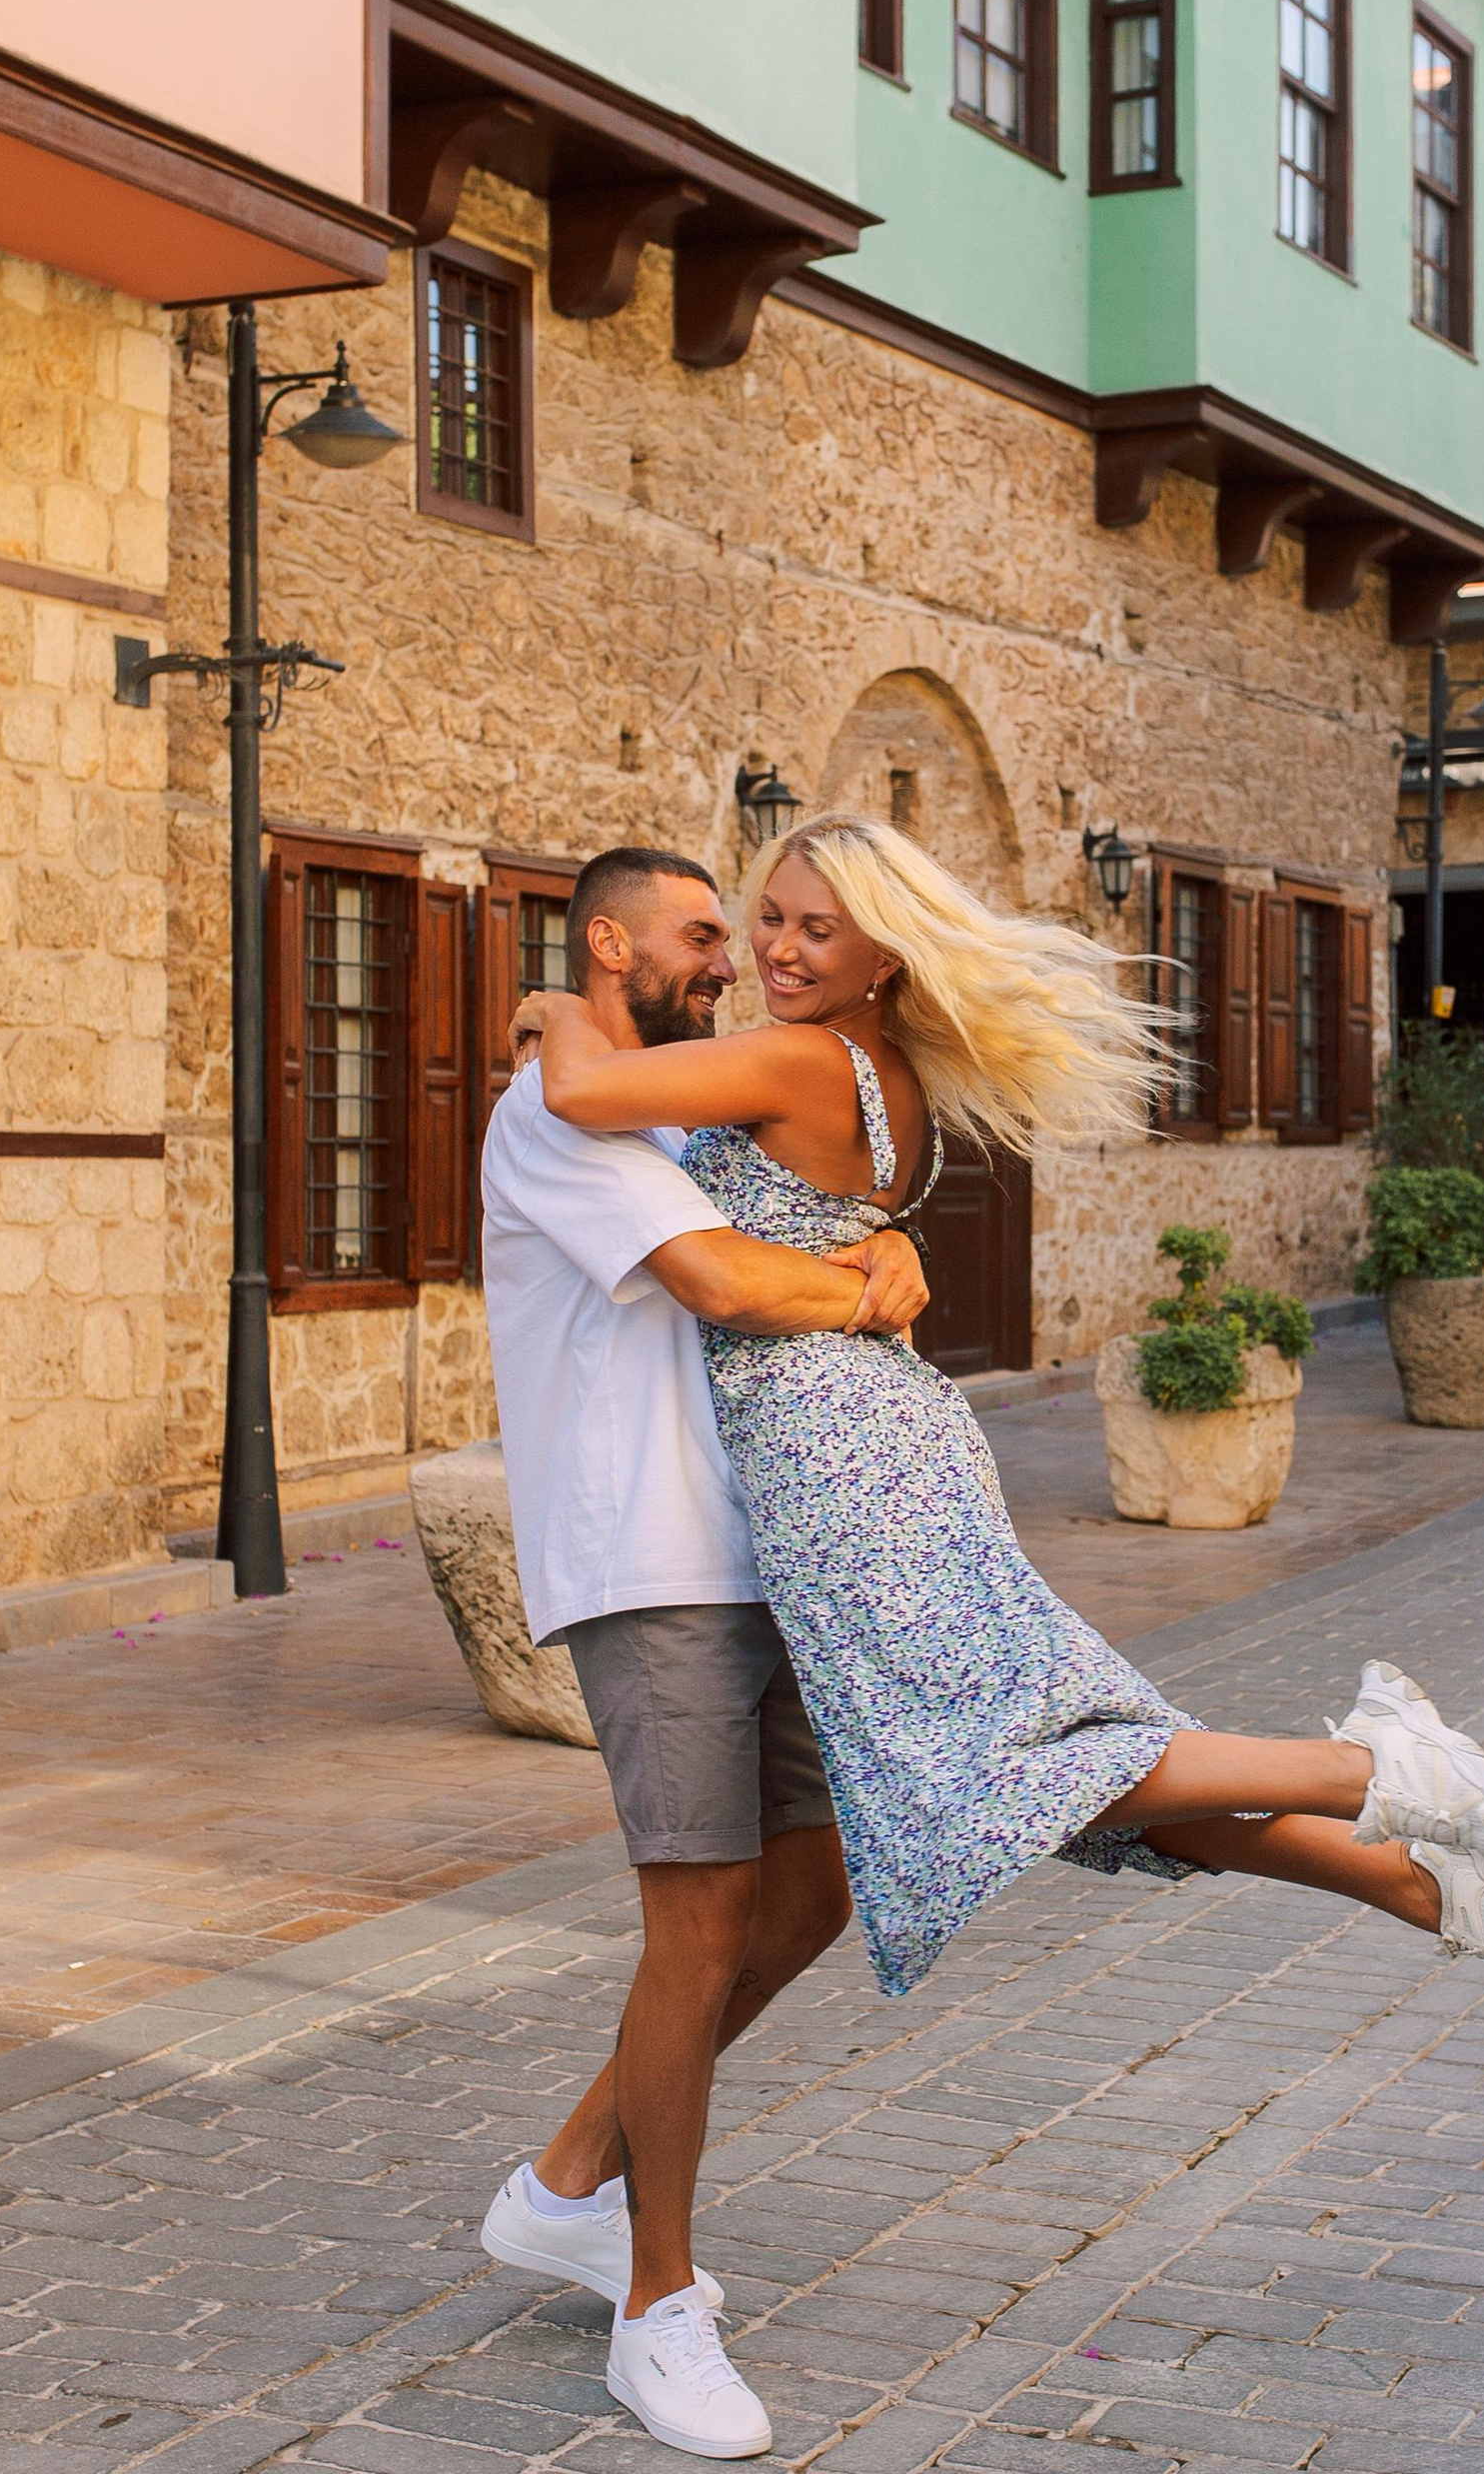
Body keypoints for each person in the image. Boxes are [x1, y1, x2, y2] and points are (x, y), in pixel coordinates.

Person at [511, 809, 1484, 2026]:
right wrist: (883, 1248)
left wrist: (554, 1007)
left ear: (887, 957)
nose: (777, 950)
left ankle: (1376, 1769)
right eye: (769, 918)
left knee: (1006, 1755)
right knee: (1038, 1762)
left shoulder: (800, 1059)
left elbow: (586, 1091)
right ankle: (1425, 1885)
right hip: (879, 1438)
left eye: (819, 929)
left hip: (832, 1453)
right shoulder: (873, 1073)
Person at [474, 846, 931, 2462]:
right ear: (607, 943)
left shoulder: (661, 1103)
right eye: (699, 938)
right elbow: (722, 1276)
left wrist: (876, 1251)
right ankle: (655, 2311)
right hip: (645, 1557)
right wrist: (865, 1287)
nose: (730, 964)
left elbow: (809, 1220)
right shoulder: (555, 1112)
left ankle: (566, 2187)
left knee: (812, 1886)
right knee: (701, 1921)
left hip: (761, 1551)